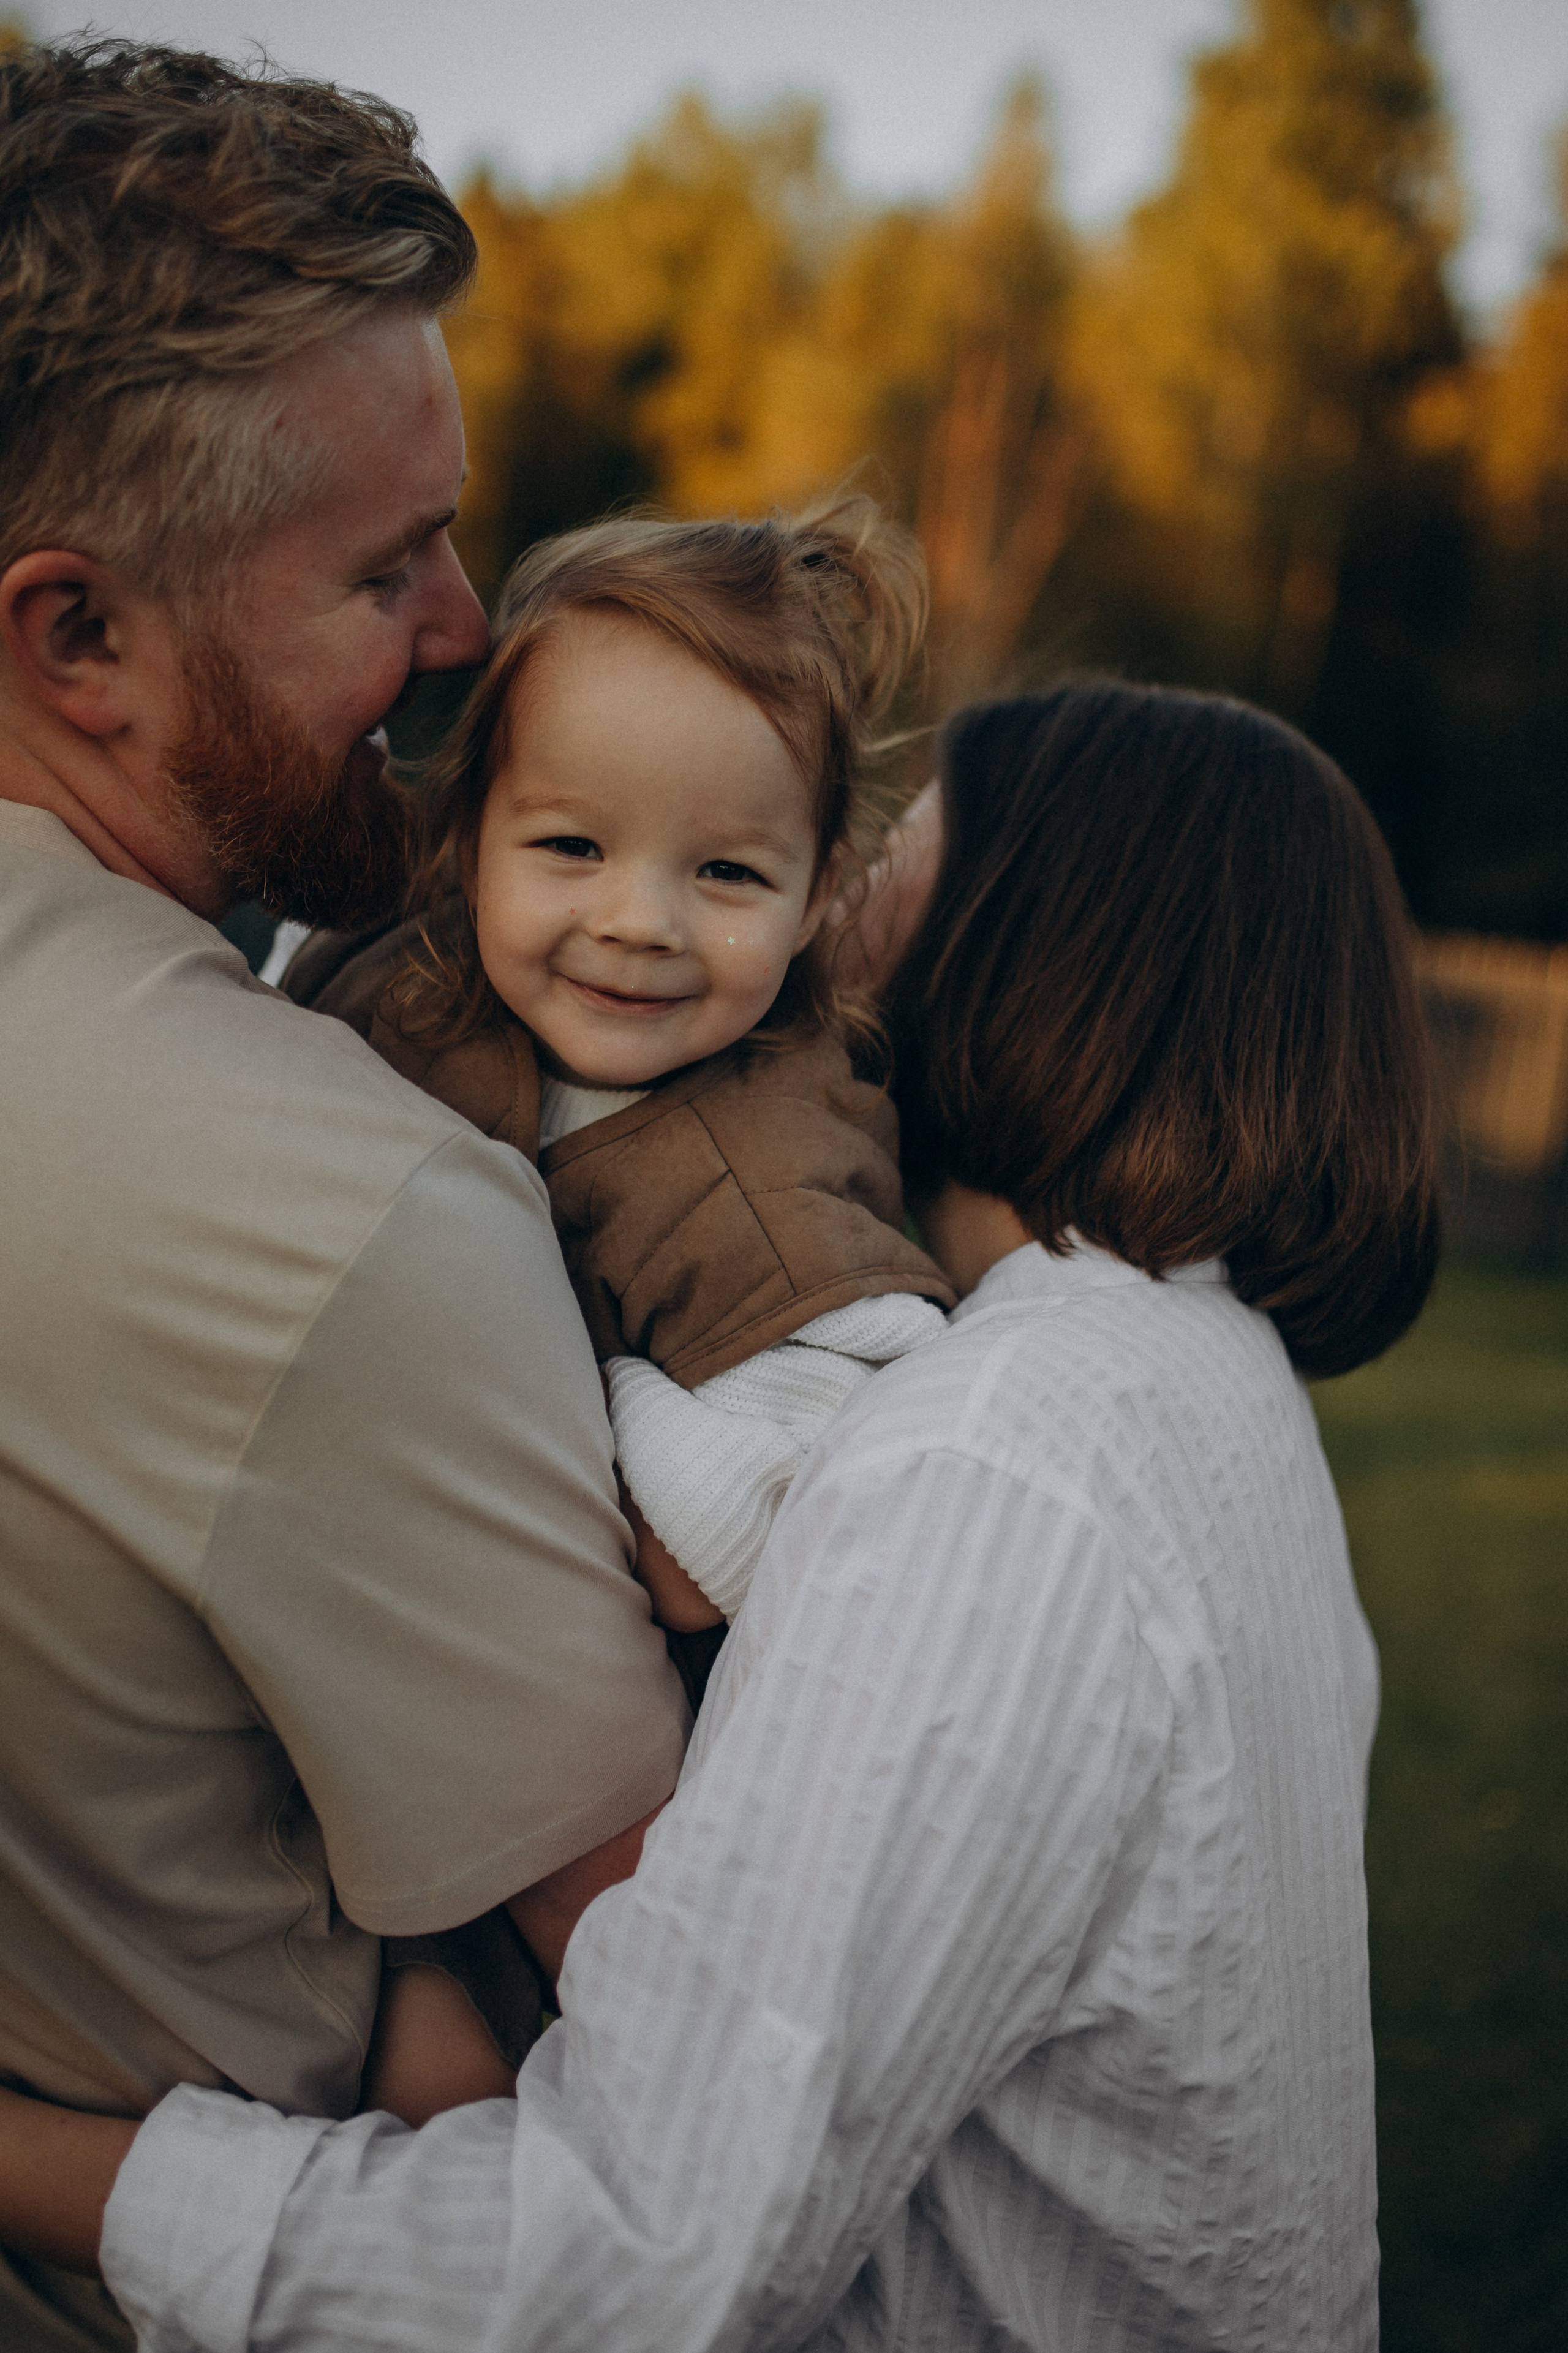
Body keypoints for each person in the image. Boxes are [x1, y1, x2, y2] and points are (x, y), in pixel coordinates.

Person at [6, 678, 1440, 2350]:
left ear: (1040, 936)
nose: (825, 926)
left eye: (884, 865)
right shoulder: (1202, 1380)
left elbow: (633, 2264)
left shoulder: (991, 1463)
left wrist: (38, 2163)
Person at [0, 41, 690, 2349]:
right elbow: (675, 2060)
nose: (472, 623)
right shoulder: (340, 1217)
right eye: (383, 566)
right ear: (74, 637)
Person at [311, 498, 954, 1637]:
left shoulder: (766, 1192)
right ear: (466, 836)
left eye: (727, 873)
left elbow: (725, 1551)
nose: (640, 920)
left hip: (542, 1688)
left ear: (815, 897)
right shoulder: (401, 961)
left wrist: (567, 1390)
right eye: (572, 846)